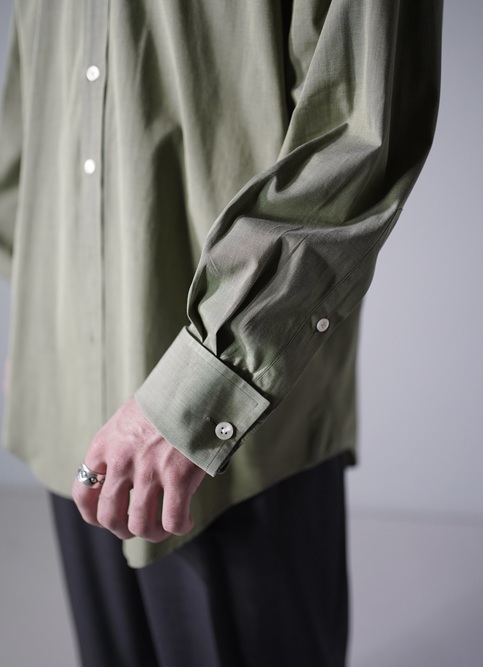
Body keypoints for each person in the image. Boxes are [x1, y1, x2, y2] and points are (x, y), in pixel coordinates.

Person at [0, 1, 442, 665]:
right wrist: (42, 313)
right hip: (70, 404)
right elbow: (22, 128)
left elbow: (358, 138)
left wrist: (206, 384)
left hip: (231, 430)